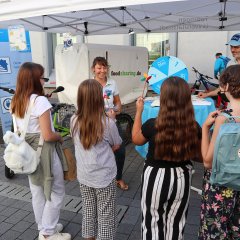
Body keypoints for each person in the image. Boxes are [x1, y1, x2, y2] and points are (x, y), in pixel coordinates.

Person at [132, 77, 201, 240]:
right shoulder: (194, 126)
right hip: (182, 176)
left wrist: (138, 111)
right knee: (176, 223)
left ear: (163, 98)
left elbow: (135, 139)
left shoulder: (152, 124)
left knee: (151, 223)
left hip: (155, 176)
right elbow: (199, 155)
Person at [10, 62, 71, 240]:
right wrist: (59, 136)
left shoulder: (16, 99)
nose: (44, 80)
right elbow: (48, 134)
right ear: (34, 80)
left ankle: (43, 225)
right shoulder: (40, 101)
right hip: (45, 151)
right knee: (56, 190)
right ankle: (47, 233)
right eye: (42, 77)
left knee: (36, 189)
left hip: (28, 152)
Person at [70, 79, 122, 240]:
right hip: (104, 177)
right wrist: (113, 119)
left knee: (88, 210)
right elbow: (117, 144)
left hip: (84, 175)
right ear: (99, 98)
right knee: (106, 216)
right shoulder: (107, 123)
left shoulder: (73, 120)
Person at [198, 65, 240, 239]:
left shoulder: (224, 118)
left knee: (217, 231)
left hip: (221, 188)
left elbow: (208, 161)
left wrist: (205, 128)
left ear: (226, 87)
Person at [91, 56, 128, 190]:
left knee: (120, 150)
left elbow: (118, 102)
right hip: (96, 123)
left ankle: (118, 178)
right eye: (99, 68)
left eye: (104, 67)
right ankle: (100, 177)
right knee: (98, 150)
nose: (102, 70)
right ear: (93, 69)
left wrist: (116, 110)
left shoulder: (112, 83)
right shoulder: (90, 84)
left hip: (112, 121)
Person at [198, 33, 240, 99]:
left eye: (236, 47)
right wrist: (207, 94)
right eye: (231, 47)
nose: (232, 50)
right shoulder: (230, 64)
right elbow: (223, 87)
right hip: (232, 106)